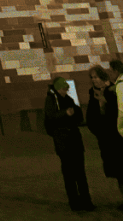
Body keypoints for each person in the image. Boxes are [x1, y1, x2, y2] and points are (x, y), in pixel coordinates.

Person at [43, 75, 95, 212]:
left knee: (80, 172)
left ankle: (86, 200)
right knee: (69, 173)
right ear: (58, 88)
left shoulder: (68, 99)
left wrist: (74, 113)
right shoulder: (50, 100)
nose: (65, 91)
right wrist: (65, 113)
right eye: (63, 89)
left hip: (74, 139)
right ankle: (74, 202)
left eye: (66, 89)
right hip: (63, 141)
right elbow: (50, 117)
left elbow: (78, 115)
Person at [86, 65, 123, 205]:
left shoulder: (114, 90)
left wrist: (105, 104)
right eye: (92, 77)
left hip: (118, 137)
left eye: (96, 77)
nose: (94, 80)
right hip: (107, 140)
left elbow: (118, 111)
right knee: (119, 173)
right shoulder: (93, 93)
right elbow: (91, 118)